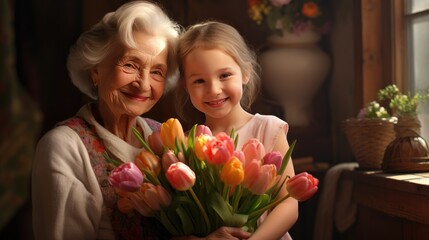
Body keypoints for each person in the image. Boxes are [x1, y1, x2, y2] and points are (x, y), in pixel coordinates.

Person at [32, 2, 250, 240]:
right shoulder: (64, 147)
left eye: (157, 71)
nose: (144, 84)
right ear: (95, 70)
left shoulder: (166, 138)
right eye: (130, 65)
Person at [174, 21, 298, 240]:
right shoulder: (184, 143)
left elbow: (288, 203)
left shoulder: (268, 129)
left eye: (224, 75)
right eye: (199, 80)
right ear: (185, 85)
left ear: (246, 73)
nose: (214, 90)